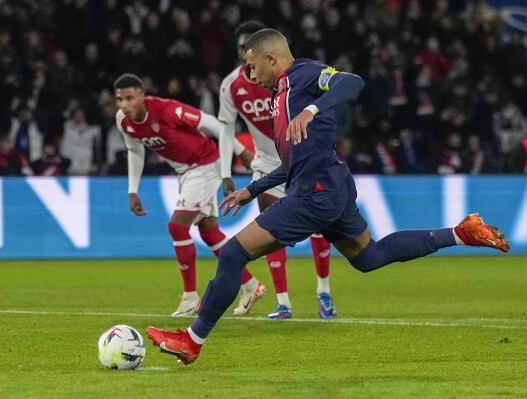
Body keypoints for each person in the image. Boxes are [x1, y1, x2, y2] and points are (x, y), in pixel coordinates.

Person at [146, 28, 510, 365]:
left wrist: (312, 107)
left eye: (253, 66)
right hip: (329, 185)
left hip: (314, 193)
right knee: (370, 256)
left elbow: (352, 81)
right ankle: (461, 233)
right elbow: (293, 161)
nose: (250, 76)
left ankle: (192, 341)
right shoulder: (280, 97)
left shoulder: (304, 75)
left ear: (271, 58)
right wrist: (251, 189)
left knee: (233, 254)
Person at [114, 73, 266, 317]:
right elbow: (134, 151)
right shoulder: (123, 121)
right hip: (185, 171)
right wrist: (133, 190)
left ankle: (190, 298)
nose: (124, 105)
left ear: (142, 95)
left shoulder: (168, 110)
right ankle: (250, 285)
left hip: (205, 164)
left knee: (177, 227)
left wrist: (241, 151)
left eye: (129, 98)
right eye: (119, 100)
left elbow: (215, 125)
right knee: (208, 231)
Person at [218, 21, 335, 320]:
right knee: (270, 229)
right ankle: (283, 302)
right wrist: (224, 171)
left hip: (304, 159)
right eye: (242, 45)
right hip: (268, 165)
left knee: (321, 227)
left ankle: (324, 290)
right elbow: (224, 129)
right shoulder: (231, 86)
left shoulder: (293, 77)